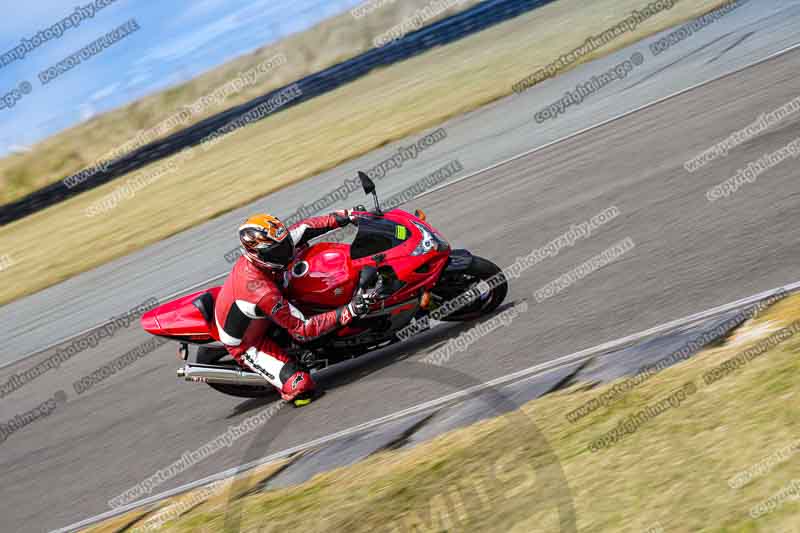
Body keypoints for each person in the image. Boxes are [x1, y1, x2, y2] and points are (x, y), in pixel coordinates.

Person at [214, 211, 373, 406]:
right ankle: (286, 384)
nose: (287, 251)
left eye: (286, 243)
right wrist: (348, 311)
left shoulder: (275, 244)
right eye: (277, 251)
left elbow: (305, 228)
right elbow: (303, 329)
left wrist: (346, 216)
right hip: (250, 342)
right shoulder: (261, 290)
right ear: (257, 255)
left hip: (269, 298)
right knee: (302, 388)